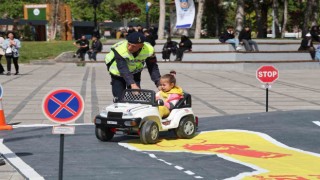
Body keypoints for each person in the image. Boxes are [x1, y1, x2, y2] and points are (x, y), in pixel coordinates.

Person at [104, 32, 161, 99]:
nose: (130, 48)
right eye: (129, 44)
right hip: (118, 73)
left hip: (135, 72)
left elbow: (153, 67)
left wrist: (159, 83)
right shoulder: (120, 49)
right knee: (119, 98)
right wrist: (132, 84)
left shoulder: (149, 49)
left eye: (134, 46)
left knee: (135, 97)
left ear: (141, 46)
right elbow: (122, 68)